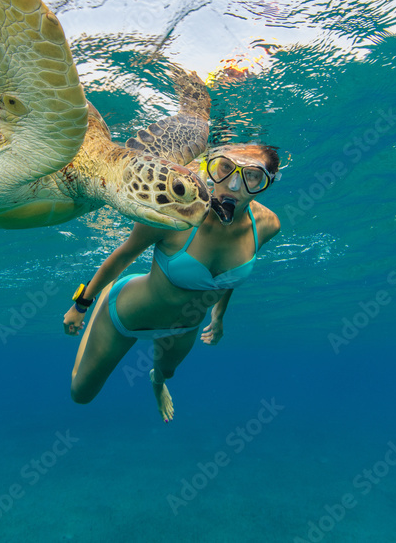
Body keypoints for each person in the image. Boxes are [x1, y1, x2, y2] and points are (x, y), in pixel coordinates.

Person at [63, 144, 281, 422]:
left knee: (166, 373)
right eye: (225, 168)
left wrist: (219, 316)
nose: (233, 184)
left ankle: (157, 384)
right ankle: (107, 294)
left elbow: (228, 278)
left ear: (267, 183)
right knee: (80, 395)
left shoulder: (267, 225)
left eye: (252, 176)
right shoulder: (174, 209)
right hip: (126, 315)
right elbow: (123, 255)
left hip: (186, 327)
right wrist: (81, 305)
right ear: (213, 168)